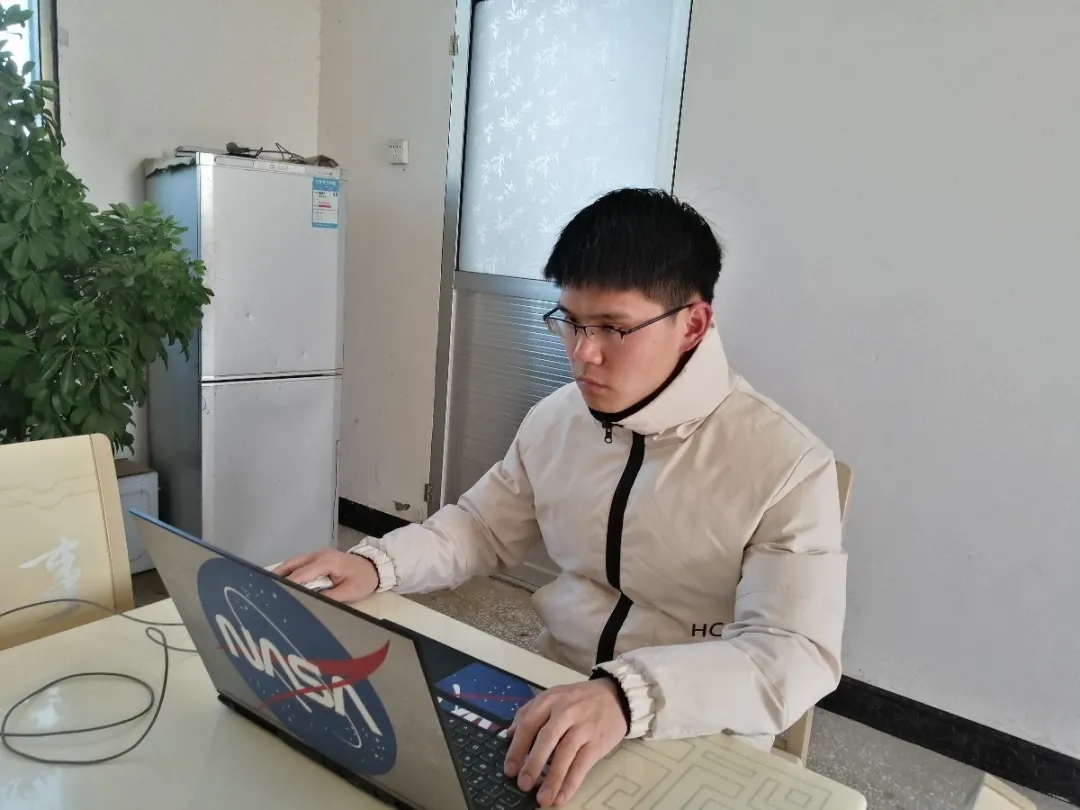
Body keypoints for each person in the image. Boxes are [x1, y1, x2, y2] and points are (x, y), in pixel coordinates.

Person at [276, 188, 847, 808]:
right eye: (570, 321)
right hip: (550, 693)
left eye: (614, 328)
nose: (582, 353)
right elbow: (481, 529)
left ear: (693, 324)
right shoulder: (558, 419)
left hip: (697, 728)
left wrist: (627, 696)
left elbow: (792, 652)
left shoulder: (786, 465)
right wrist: (377, 564)